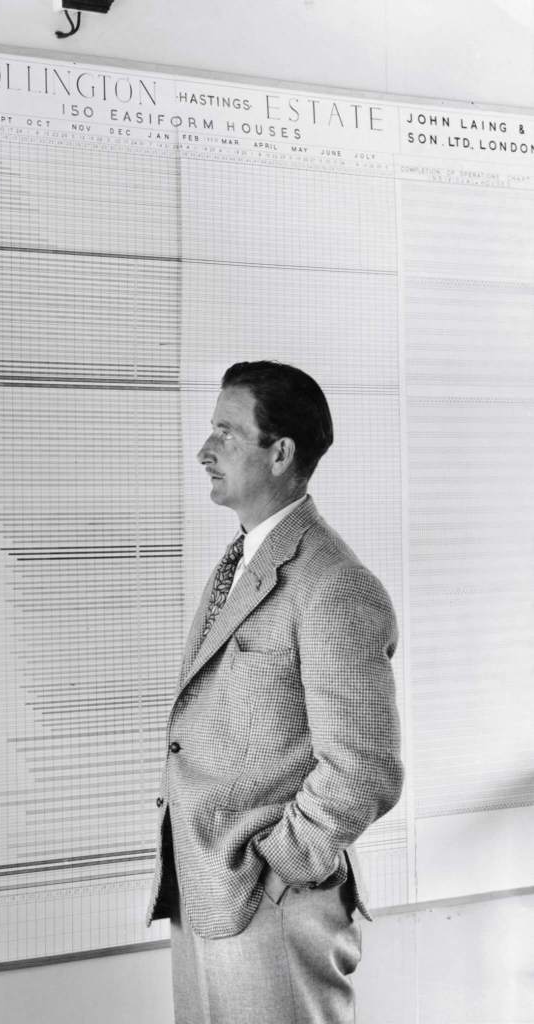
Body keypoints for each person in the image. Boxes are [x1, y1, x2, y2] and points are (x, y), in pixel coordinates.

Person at [146, 360, 403, 1024]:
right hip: (205, 890)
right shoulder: (243, 560)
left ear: (280, 452)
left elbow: (363, 768)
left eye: (226, 434)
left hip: (272, 906)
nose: (205, 451)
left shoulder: (334, 584)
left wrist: (278, 867)